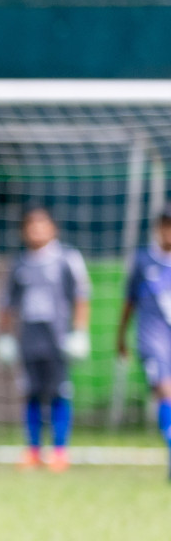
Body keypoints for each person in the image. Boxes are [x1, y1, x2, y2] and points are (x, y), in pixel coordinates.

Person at [0, 205, 92, 471]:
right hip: (29, 338)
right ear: (23, 231)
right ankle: (33, 450)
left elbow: (81, 296)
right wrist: (4, 337)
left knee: (60, 392)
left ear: (53, 228)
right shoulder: (20, 263)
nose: (36, 230)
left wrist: (80, 332)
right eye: (31, 225)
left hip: (58, 338)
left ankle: (60, 450)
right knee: (31, 393)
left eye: (42, 224)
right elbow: (7, 303)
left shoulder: (66, 259)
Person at [116, 204, 171, 479]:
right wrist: (121, 336)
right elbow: (129, 303)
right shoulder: (143, 261)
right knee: (165, 390)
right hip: (152, 339)